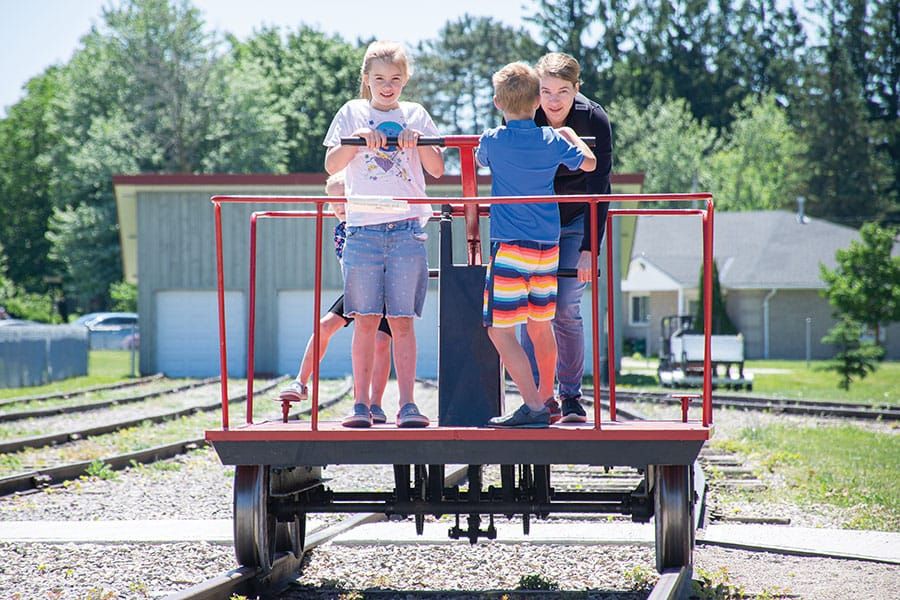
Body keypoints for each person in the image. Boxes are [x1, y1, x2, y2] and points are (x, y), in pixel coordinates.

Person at [323, 40, 444, 428]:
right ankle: (361, 404)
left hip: (407, 227)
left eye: (395, 78)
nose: (387, 86)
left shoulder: (416, 114)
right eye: (379, 79)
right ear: (367, 80)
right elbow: (331, 164)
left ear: (405, 79)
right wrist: (357, 141)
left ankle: (407, 404)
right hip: (363, 229)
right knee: (366, 319)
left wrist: (416, 140)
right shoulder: (351, 113)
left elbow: (437, 168)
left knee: (403, 320)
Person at [476, 62, 596, 428]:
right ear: (537, 103)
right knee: (540, 326)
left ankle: (532, 403)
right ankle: (547, 395)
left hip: (510, 246)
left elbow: (481, 161)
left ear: (498, 102)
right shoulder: (552, 139)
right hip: (548, 246)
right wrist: (572, 136)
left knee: (499, 328)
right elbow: (589, 165)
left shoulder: (492, 141)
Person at [520, 52, 613, 424]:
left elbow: (599, 187)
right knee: (533, 311)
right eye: (545, 91)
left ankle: (571, 396)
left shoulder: (594, 119)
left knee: (565, 310)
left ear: (577, 89)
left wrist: (592, 247)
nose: (553, 100)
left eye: (563, 91)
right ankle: (539, 398)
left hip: (576, 219)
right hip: (534, 220)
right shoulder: (525, 113)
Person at [278, 171, 394, 424]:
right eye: (333, 201)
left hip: (386, 289)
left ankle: (375, 403)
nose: (339, 206)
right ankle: (300, 382)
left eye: (344, 198)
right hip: (359, 288)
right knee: (324, 326)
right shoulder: (342, 230)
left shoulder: (375, 222)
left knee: (381, 341)